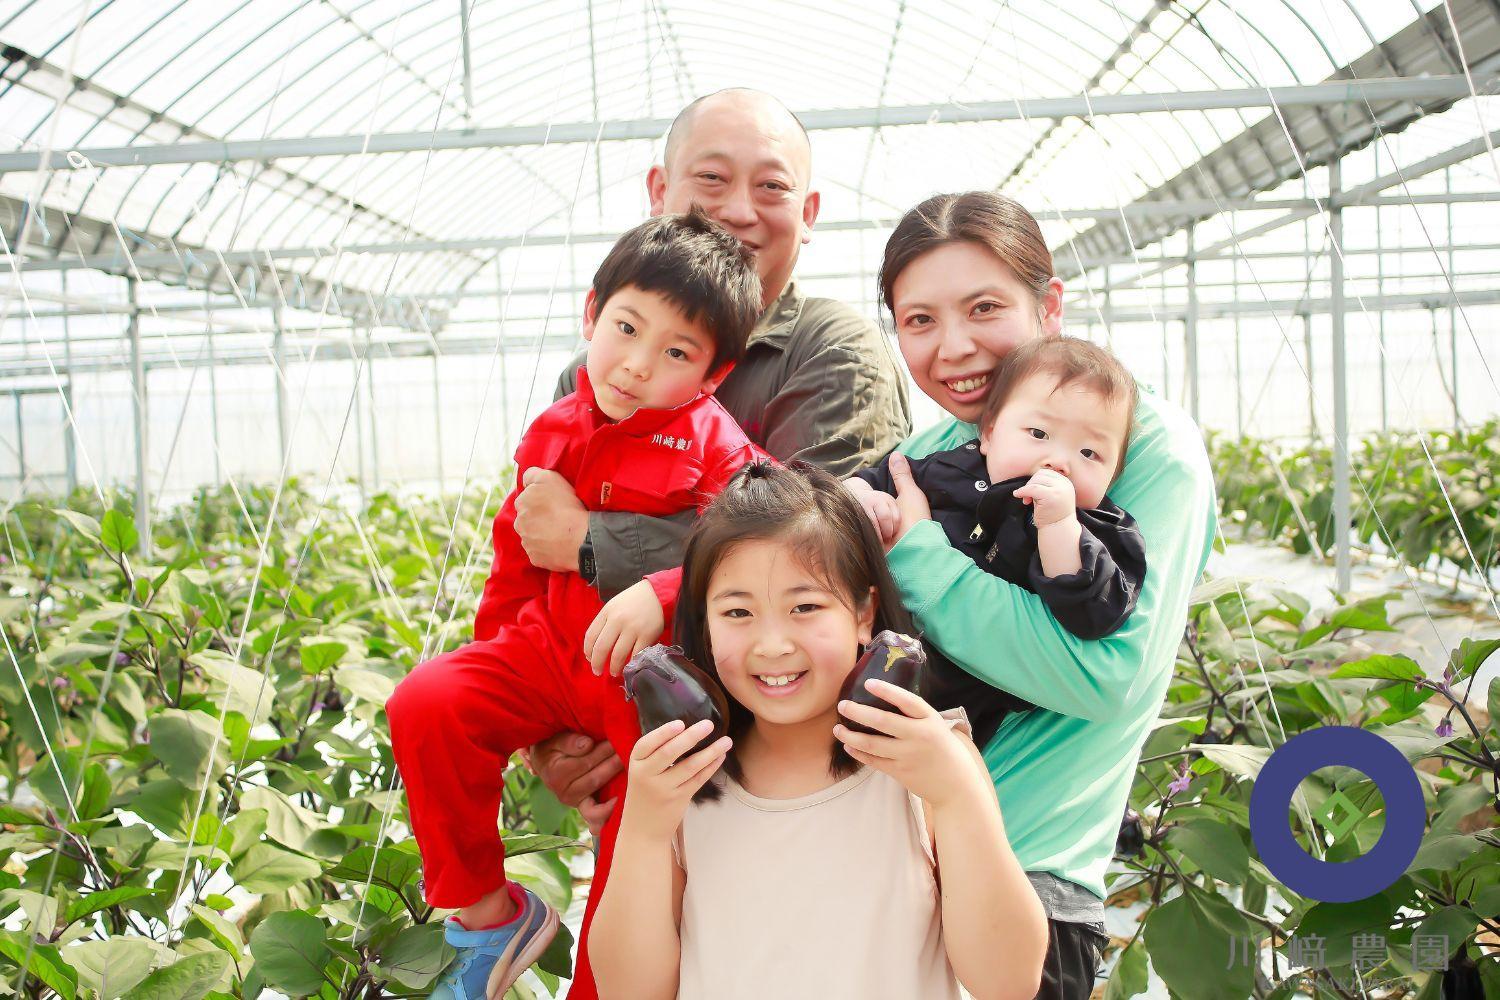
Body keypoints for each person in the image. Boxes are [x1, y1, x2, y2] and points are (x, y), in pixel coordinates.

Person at [387, 209, 767, 1000]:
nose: (635, 365)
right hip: (546, 655)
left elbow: (755, 540)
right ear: (592, 314)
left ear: (713, 374)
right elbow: (515, 555)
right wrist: (497, 672)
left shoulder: (716, 443)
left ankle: (604, 982)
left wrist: (660, 593)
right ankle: (488, 916)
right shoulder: (552, 429)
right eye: (626, 328)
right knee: (427, 702)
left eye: (675, 353)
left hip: (642, 677)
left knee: (640, 835)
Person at [851, 191, 1216, 999]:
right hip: (895, 862)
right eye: (919, 321)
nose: (954, 348)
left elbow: (1101, 677)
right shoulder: (938, 445)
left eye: (985, 308)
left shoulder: (1147, 453)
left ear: (1049, 304)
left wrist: (915, 552)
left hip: (1027, 877)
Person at [517, 90, 913, 812]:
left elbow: (809, 558)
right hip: (641, 756)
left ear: (809, 213)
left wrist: (587, 540)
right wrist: (555, 736)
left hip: (796, 776)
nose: (738, 209)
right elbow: (533, 580)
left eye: (771, 187)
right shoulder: (592, 373)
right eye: (711, 179)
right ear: (658, 193)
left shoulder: (831, 350)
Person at [588, 462, 1048, 1000]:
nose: (772, 644)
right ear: (705, 626)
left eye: (804, 606)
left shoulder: (933, 764)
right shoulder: (685, 781)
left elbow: (1009, 982)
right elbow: (630, 992)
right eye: (737, 612)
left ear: (862, 613)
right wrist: (643, 830)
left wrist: (957, 794)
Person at [846, 336, 1148, 748]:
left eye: (1090, 453)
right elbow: (866, 484)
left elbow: (1094, 613)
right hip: (867, 646)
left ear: (1113, 476)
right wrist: (865, 496)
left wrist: (1059, 525)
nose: (1058, 461)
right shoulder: (951, 469)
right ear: (989, 434)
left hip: (957, 705)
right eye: (1038, 433)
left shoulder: (1096, 529)